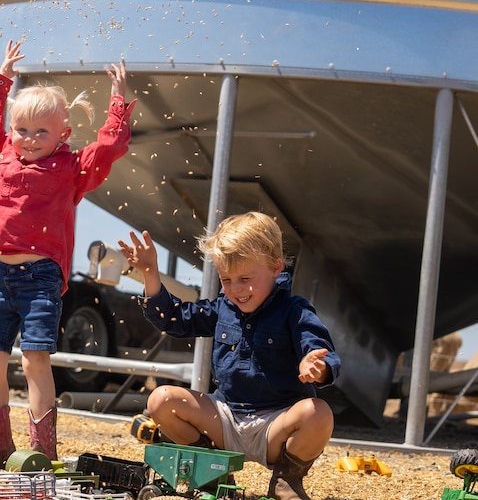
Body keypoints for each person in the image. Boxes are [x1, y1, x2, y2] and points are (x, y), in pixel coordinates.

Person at [0, 40, 135, 467]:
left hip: (40, 278)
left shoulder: (70, 169)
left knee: (34, 360)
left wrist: (117, 103)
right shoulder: (2, 154)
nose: (29, 140)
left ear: (63, 134)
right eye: (22, 130)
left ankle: (42, 450)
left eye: (41, 132)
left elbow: (109, 148)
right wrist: (0, 79)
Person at [118, 212, 341, 500]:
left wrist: (316, 366)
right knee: (161, 400)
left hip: (275, 425)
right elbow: (175, 320)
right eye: (226, 279)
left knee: (318, 413)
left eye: (245, 278)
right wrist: (150, 272)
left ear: (275, 267)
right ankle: (212, 474)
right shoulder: (223, 307)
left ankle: (286, 481)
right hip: (224, 418)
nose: (235, 289)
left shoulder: (295, 310)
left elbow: (320, 349)